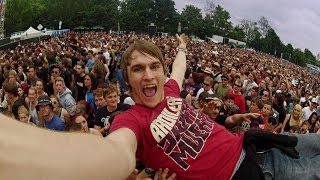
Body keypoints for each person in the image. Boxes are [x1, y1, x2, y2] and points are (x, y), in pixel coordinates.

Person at [0, 35, 320, 180]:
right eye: (138, 69)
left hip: (261, 147)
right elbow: (115, 152)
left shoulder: (170, 90)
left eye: (155, 66)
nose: (149, 74)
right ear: (127, 81)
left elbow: (179, 68)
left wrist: (181, 47)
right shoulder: (132, 121)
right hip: (254, 174)